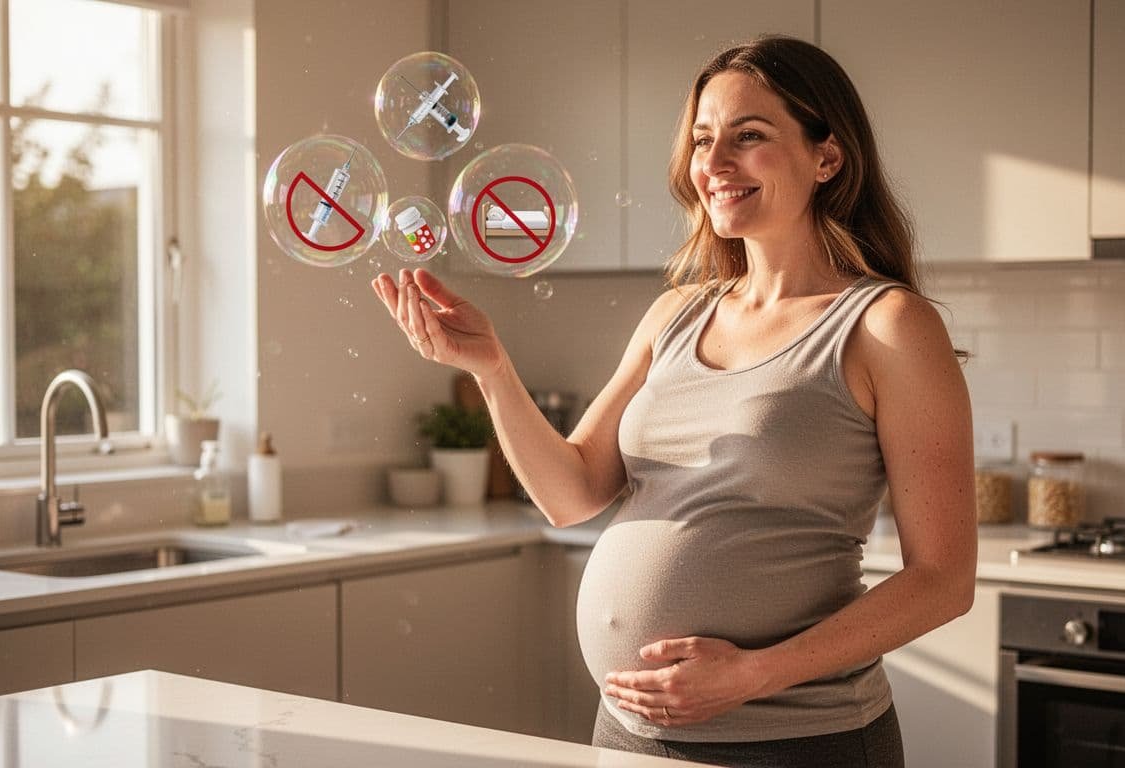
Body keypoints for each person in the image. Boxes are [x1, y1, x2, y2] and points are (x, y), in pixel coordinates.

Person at [372, 34, 976, 768]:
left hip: (795, 742)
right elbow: (570, 493)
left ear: (828, 156)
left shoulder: (888, 326)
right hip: (630, 734)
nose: (713, 166)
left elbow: (943, 580)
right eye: (701, 140)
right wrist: (491, 368)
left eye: (748, 138)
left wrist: (751, 675)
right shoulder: (677, 314)